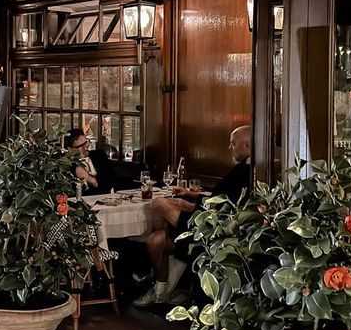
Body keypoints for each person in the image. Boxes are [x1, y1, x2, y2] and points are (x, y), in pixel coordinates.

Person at [134, 125, 252, 307]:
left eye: (233, 143)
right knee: (156, 239)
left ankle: (170, 252)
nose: (230, 148)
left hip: (209, 227)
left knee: (158, 204)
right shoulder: (242, 168)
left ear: (246, 146)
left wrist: (189, 204)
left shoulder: (248, 172)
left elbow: (224, 207)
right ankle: (161, 288)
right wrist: (193, 195)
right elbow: (219, 197)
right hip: (204, 215)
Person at [64, 129, 117, 196]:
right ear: (69, 149)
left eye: (86, 142)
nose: (86, 147)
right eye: (81, 146)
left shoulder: (99, 155)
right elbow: (72, 194)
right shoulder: (67, 166)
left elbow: (112, 181)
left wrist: (91, 179)